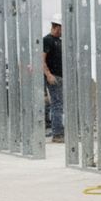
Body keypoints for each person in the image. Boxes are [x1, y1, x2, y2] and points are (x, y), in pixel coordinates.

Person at [43, 14, 64, 142]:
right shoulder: (48, 40)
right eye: (61, 28)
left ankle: (58, 129)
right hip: (53, 77)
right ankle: (57, 133)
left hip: (59, 77)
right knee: (57, 105)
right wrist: (48, 75)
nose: (62, 32)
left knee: (58, 104)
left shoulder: (59, 42)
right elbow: (42, 59)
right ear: (56, 27)